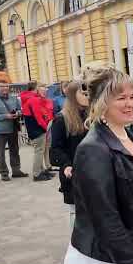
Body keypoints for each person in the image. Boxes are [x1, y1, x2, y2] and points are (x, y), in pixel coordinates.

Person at [63, 66, 133, 264]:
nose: (131, 104)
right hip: (108, 256)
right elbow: (106, 219)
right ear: (102, 103)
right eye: (121, 98)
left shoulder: (130, 137)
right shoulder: (93, 149)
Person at [50, 81, 89, 228]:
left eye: (88, 93)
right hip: (73, 174)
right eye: (83, 93)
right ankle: (77, 246)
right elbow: (55, 150)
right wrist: (66, 165)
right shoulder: (61, 119)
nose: (87, 96)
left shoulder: (91, 115)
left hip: (92, 171)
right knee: (76, 211)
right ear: (73, 96)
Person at [0, 80, 28, 181]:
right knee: (0, 154)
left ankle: (16, 171)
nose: (5, 88)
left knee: (14, 150)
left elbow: (20, 109)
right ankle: (4, 173)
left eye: (6, 86)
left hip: (13, 128)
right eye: (2, 86)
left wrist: (18, 113)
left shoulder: (13, 98)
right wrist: (5, 116)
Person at [25, 83, 55, 181]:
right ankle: (37, 174)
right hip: (37, 130)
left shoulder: (34, 99)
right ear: (37, 90)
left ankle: (41, 171)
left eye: (46, 89)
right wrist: (46, 128)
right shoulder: (34, 100)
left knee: (41, 150)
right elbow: (38, 118)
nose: (45, 91)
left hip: (38, 129)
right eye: (43, 89)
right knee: (39, 151)